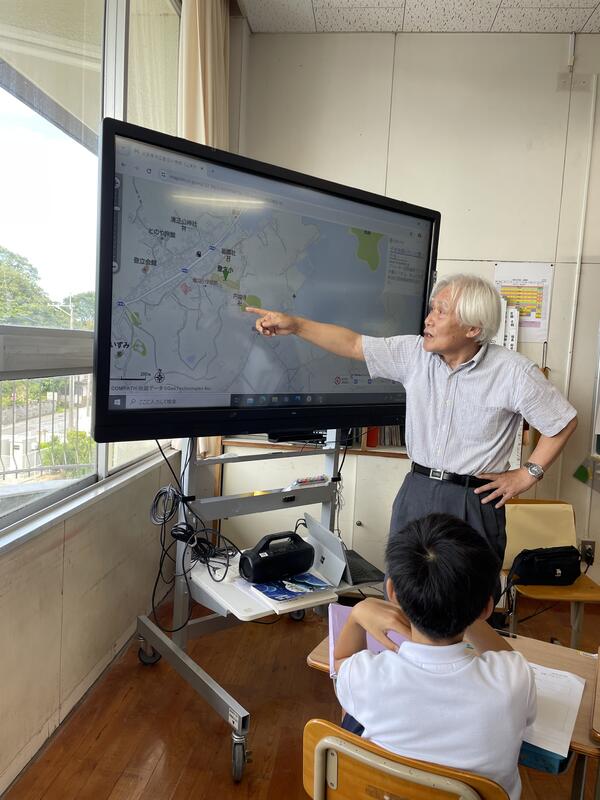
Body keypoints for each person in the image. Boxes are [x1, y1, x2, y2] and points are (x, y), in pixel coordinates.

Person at [246, 274, 577, 600]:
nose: (428, 319)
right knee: (404, 593)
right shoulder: (414, 354)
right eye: (432, 309)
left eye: (441, 312)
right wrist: (296, 325)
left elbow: (562, 422)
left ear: (473, 328)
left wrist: (527, 474)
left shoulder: (513, 372)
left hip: (472, 499)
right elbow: (353, 344)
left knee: (469, 600)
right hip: (416, 491)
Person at [333, 513, 537, 800]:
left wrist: (357, 614)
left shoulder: (366, 677)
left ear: (392, 592)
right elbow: (507, 658)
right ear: (487, 608)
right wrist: (467, 607)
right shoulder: (514, 680)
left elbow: (340, 663)